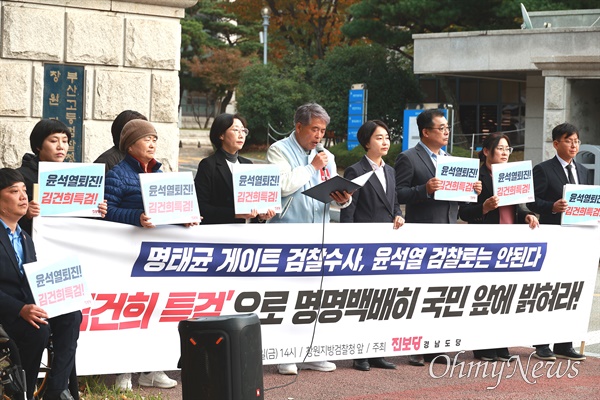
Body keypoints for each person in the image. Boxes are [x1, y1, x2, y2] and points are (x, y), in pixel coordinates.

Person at [266, 103, 352, 375]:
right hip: (288, 233)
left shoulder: (325, 155)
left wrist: (344, 199)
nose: (318, 136)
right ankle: (285, 354)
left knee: (316, 296)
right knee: (288, 296)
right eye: (314, 129)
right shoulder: (278, 150)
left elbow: (333, 189)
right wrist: (312, 166)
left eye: (323, 130)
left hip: (320, 233)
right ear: (299, 126)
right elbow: (281, 186)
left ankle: (314, 351)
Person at [104, 119, 190, 389]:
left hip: (158, 257)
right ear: (130, 145)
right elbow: (107, 213)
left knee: (158, 310)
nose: (152, 143)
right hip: (128, 256)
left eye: (154, 138)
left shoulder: (162, 175)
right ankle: (124, 371)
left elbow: (171, 211)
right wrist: (137, 217)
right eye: (146, 139)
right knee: (129, 311)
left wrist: (184, 218)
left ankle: (153, 369)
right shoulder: (117, 174)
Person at [394, 108, 482, 366]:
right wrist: (424, 188)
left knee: (441, 294)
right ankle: (416, 346)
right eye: (441, 128)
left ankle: (436, 346)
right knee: (419, 292)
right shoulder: (409, 158)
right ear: (426, 132)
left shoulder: (452, 160)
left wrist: (473, 190)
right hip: (422, 233)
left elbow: (459, 200)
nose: (446, 132)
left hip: (448, 232)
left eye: (447, 128)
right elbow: (397, 194)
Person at [0, 168, 81, 400]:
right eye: (14, 191)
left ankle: (56, 390)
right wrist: (19, 309)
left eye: (24, 190)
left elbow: (31, 278)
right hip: (7, 311)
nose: (23, 196)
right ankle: (22, 394)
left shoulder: (25, 237)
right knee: (38, 328)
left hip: (26, 305)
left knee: (71, 314)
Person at [458, 132, 538, 362]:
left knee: (504, 297)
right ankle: (483, 348)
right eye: (500, 148)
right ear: (486, 151)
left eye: (507, 149)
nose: (504, 153)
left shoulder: (513, 175)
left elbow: (518, 208)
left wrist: (528, 216)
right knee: (484, 297)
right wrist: (483, 207)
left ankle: (501, 346)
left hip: (509, 244)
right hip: (485, 244)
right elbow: (463, 211)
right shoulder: (476, 176)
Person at [340, 120, 404, 371]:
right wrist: (348, 243)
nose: (385, 141)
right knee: (363, 301)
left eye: (387, 137)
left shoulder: (390, 170)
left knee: (382, 300)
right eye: (379, 138)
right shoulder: (355, 171)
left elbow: (395, 203)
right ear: (367, 142)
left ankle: (377, 351)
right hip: (363, 245)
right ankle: (359, 354)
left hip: (386, 244)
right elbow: (348, 209)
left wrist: (399, 214)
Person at [526, 122, 590, 361]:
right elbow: (532, 202)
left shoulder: (583, 171)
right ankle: (542, 344)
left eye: (576, 141)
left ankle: (565, 343)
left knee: (570, 290)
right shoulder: (543, 170)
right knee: (548, 290)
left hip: (577, 238)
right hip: (552, 236)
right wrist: (551, 207)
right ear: (556, 144)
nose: (573, 145)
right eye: (568, 140)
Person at [194, 113, 275, 224]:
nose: (241, 135)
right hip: (221, 235)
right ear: (221, 135)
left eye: (243, 131)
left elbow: (254, 205)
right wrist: (235, 214)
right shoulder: (208, 165)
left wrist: (261, 216)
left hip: (248, 234)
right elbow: (200, 207)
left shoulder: (248, 164)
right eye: (236, 130)